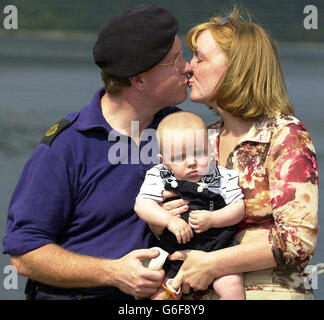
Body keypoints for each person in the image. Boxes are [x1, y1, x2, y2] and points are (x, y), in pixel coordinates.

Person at [2, 4, 192, 300]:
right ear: (138, 79)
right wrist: (113, 273)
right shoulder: (67, 147)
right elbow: (24, 253)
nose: (188, 66)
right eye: (176, 60)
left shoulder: (183, 130)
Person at [168, 6, 319, 300]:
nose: (188, 67)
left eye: (200, 58)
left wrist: (210, 263)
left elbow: (298, 238)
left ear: (237, 68)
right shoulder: (204, 138)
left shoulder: (285, 134)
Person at [135, 111, 245, 300]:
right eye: (180, 158)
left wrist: (214, 219)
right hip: (174, 251)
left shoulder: (223, 176)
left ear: (210, 150)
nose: (192, 163)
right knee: (161, 292)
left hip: (218, 251)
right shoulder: (158, 175)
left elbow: (238, 208)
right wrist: (169, 221)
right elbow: (142, 205)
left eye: (199, 153)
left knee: (232, 284)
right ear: (164, 162)